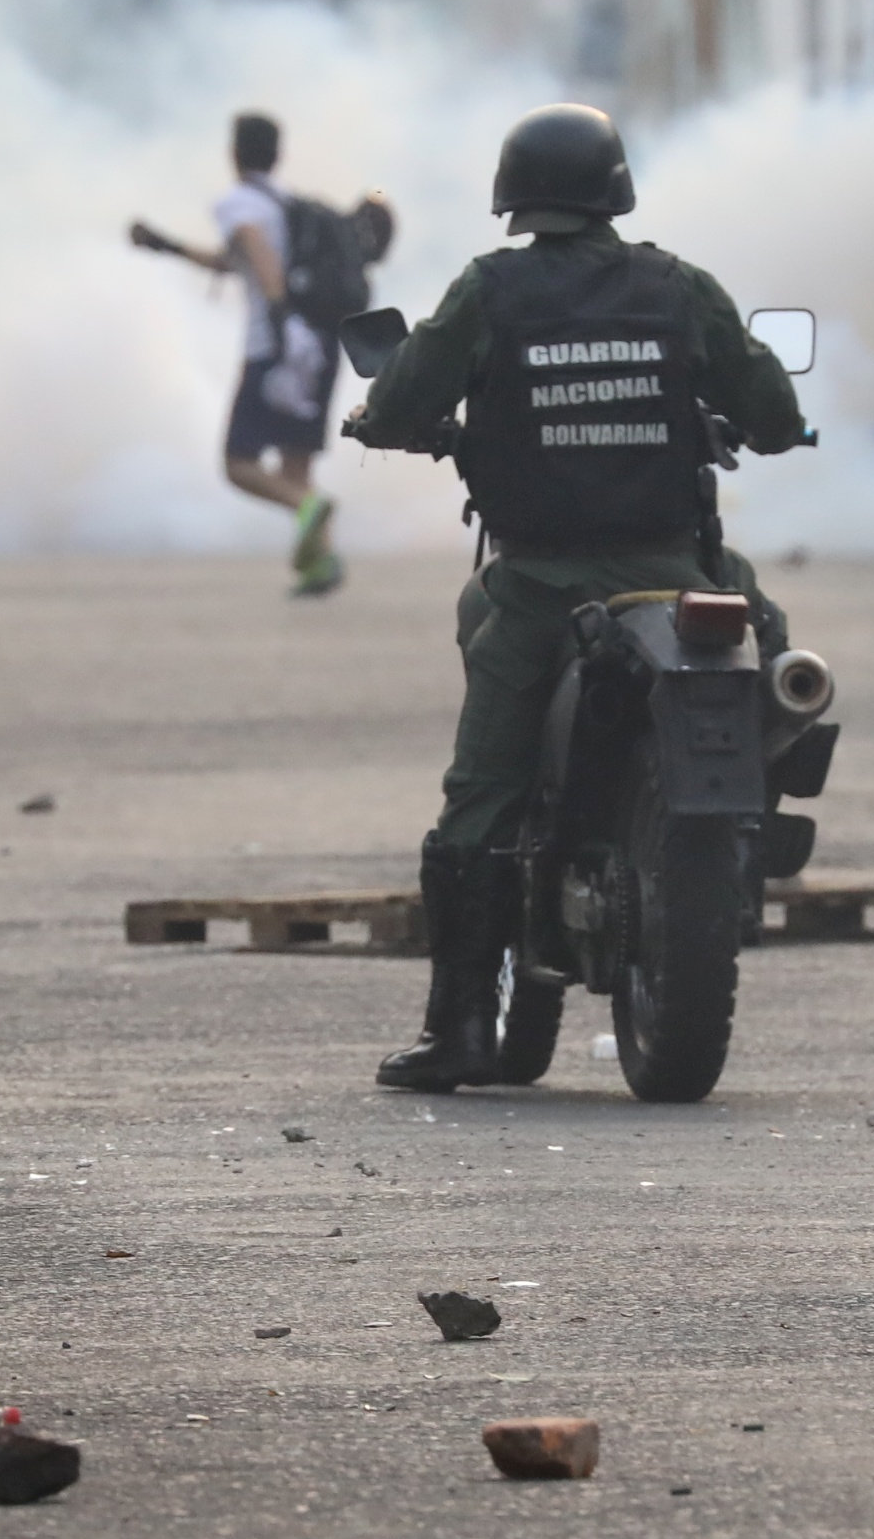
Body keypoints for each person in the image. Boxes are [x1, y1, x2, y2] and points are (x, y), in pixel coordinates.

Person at [344, 103, 805, 1092]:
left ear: (514, 196)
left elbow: (403, 396)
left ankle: (460, 1027)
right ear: (615, 189)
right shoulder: (675, 287)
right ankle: (759, 802)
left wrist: (378, 419)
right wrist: (769, 423)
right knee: (764, 633)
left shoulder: (489, 288)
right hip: (675, 576)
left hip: (541, 587)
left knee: (479, 799)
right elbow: (769, 406)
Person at [129, 111, 351, 597]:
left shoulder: (238, 203)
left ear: (234, 152)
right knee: (297, 470)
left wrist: (278, 318)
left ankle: (310, 514)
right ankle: (321, 562)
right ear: (277, 154)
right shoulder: (290, 204)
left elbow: (256, 254)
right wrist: (167, 246)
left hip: (274, 345)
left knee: (239, 463)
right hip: (320, 343)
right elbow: (233, 261)